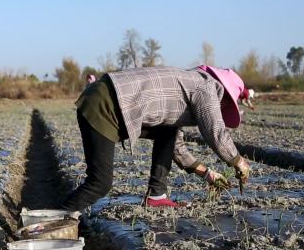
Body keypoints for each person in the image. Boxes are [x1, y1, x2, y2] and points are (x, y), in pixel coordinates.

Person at [61, 65, 252, 211]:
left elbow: (175, 146)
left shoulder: (189, 83)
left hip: (105, 97)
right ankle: (52, 219)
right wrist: (238, 161)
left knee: (167, 132)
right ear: (226, 95)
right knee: (99, 184)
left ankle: (157, 196)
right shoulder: (207, 87)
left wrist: (207, 173)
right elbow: (215, 132)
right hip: (105, 103)